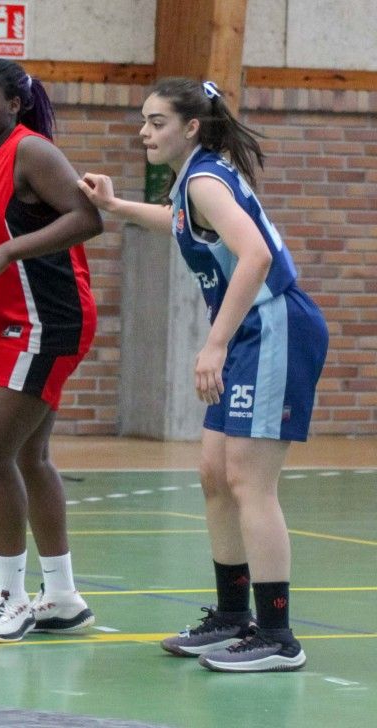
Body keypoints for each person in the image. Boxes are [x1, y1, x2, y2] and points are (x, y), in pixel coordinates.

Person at [80, 78, 327, 672]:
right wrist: (115, 208)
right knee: (215, 474)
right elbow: (179, 222)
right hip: (250, 331)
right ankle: (231, 615)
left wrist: (213, 343)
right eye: (143, 120)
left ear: (191, 127)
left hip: (273, 327)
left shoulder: (207, 178)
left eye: (157, 121)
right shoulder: (194, 178)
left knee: (248, 481)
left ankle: (277, 635)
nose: (144, 131)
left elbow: (257, 256)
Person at [0, 57, 103, 643]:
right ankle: (61, 596)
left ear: (13, 105)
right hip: (14, 321)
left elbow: (87, 217)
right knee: (28, 456)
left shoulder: (31, 150)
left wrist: (8, 255)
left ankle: (13, 599)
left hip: (51, 320)